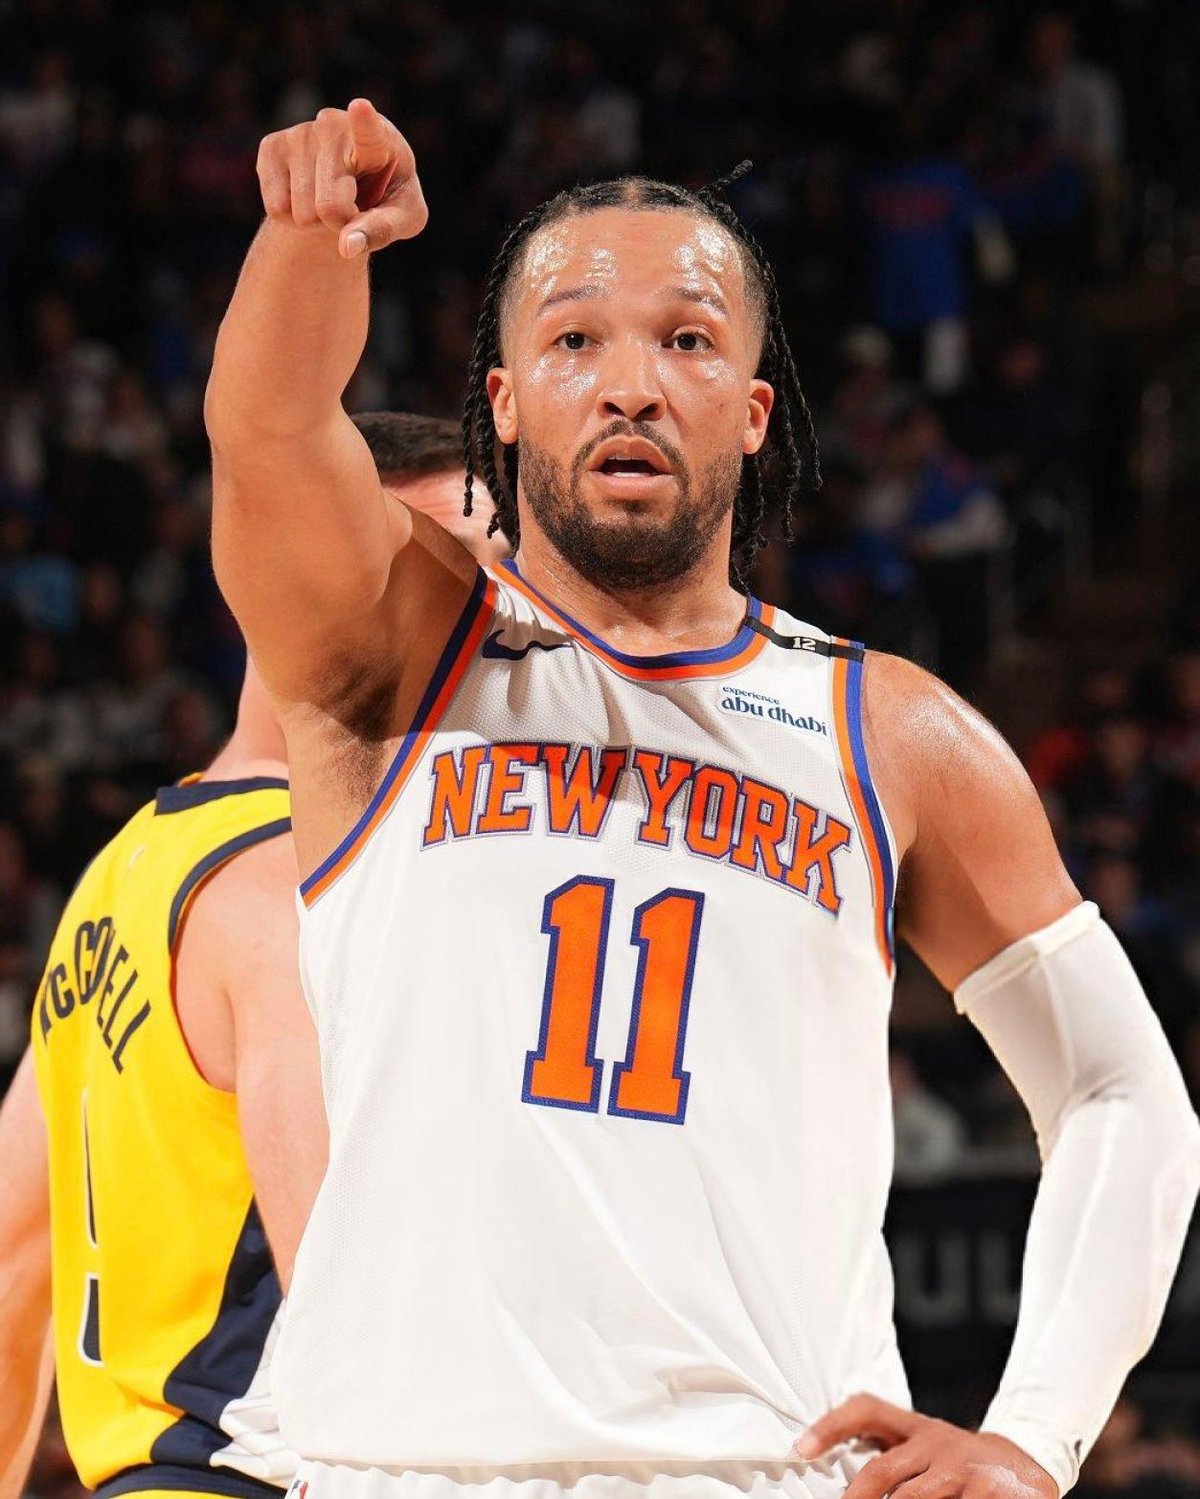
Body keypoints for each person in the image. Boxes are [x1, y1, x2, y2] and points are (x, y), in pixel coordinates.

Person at [205, 101, 1200, 1499]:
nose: (631, 383)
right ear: (503, 402)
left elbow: (1118, 1087)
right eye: (573, 340)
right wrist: (313, 237)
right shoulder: (393, 646)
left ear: (751, 409)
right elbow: (266, 428)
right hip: (397, 1465)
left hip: (761, 1473)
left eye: (686, 339)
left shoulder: (891, 732)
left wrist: (1035, 1434)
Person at [0, 413, 502, 1499]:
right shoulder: (299, 896)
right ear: (303, 570)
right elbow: (349, 1319)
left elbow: (13, 1265)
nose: (493, 615)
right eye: (453, 563)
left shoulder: (118, 873)